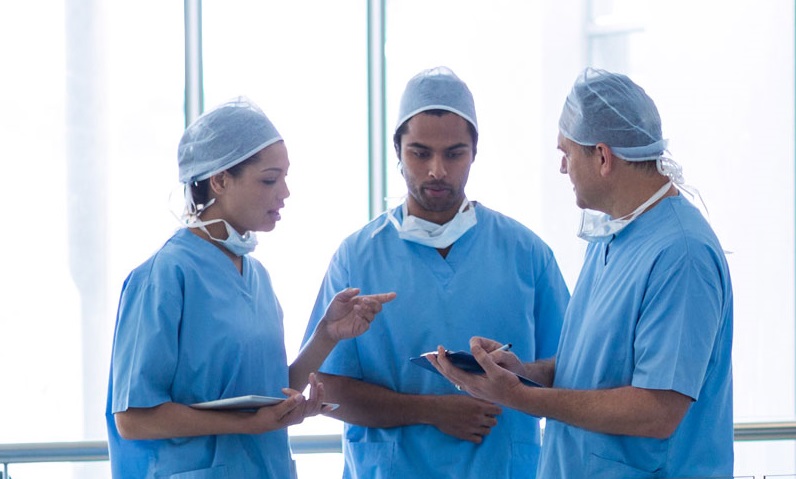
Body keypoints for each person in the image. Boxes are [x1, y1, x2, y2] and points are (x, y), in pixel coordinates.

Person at [429, 67, 734, 478]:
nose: (562, 168)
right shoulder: (613, 238)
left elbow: (657, 411)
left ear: (603, 157)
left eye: (566, 152)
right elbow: (593, 369)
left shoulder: (681, 254)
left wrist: (522, 398)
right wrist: (523, 374)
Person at [105, 97, 396, 479]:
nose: (285, 192)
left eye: (285, 177)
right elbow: (133, 418)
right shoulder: (164, 275)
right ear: (220, 180)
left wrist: (328, 334)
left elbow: (270, 391)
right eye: (269, 179)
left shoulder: (256, 276)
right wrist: (247, 425)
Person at [301, 66, 570, 478]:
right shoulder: (357, 257)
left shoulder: (526, 254)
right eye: (420, 152)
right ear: (397, 151)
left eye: (454, 153)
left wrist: (518, 376)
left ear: (475, 151)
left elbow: (570, 369)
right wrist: (429, 411)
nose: (437, 171)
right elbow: (328, 387)